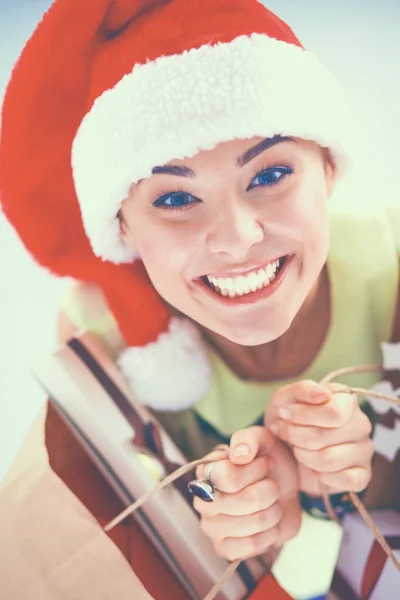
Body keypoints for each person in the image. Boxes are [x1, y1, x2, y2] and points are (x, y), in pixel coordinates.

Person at [1, 0, 396, 590]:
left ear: (329, 168)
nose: (238, 240)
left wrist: (373, 476)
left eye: (268, 175)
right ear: (124, 229)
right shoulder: (102, 339)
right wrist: (214, 509)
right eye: (175, 199)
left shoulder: (390, 267)